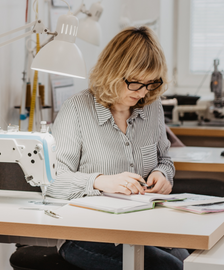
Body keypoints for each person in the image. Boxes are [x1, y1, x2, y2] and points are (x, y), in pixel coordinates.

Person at [48, 26, 189, 270]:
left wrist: (162, 174)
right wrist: (100, 181)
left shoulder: (152, 107)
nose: (143, 92)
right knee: (169, 267)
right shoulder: (76, 110)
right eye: (135, 83)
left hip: (142, 227)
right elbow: (53, 183)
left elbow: (164, 159)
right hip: (86, 234)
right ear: (113, 72)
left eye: (151, 83)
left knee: (189, 260)